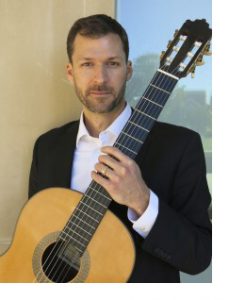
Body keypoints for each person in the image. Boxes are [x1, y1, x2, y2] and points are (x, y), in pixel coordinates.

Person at [28, 14, 212, 283]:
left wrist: (143, 201)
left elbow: (199, 256)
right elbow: (32, 235)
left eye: (111, 64)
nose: (100, 78)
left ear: (128, 69)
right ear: (71, 72)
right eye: (87, 64)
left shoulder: (180, 147)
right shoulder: (47, 148)